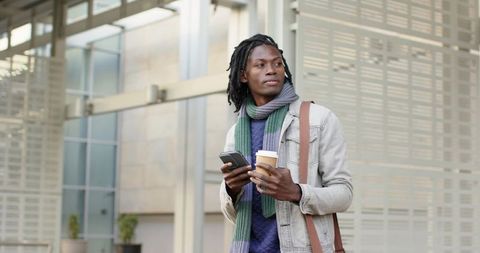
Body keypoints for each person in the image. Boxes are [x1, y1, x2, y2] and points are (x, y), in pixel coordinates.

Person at [219, 34, 353, 253]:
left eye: (277, 63)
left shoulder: (318, 120)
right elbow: (232, 214)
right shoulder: (236, 133)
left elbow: (344, 194)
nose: (272, 70)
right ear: (243, 76)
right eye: (260, 65)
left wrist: (296, 192)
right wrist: (231, 189)